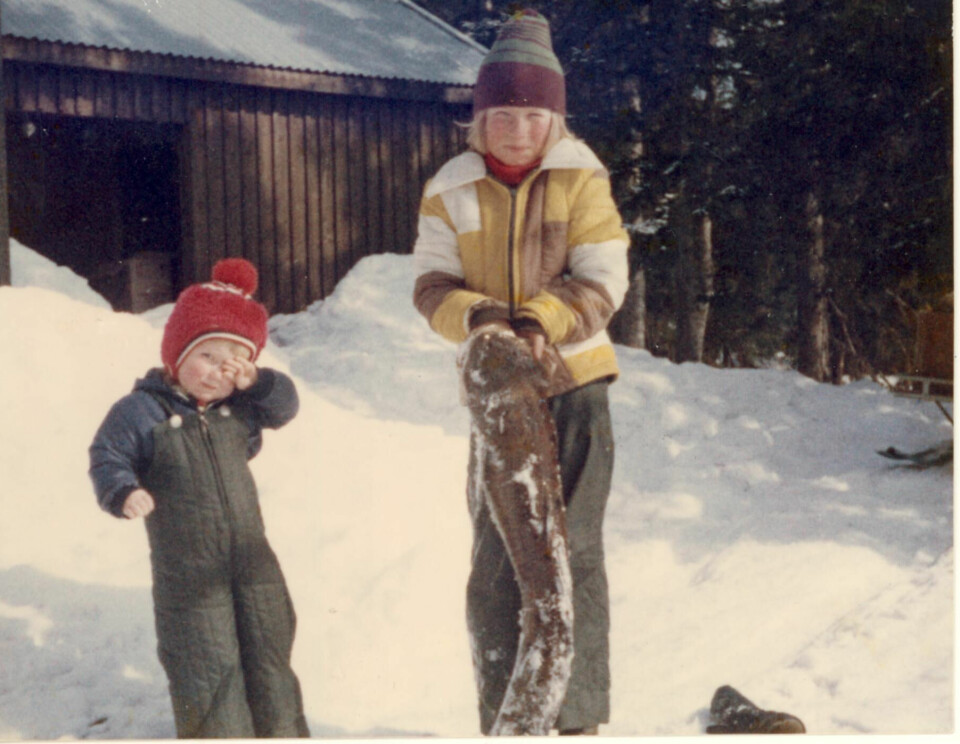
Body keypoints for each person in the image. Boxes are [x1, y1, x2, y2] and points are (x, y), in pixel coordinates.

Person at [412, 9, 630, 736]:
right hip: (498, 399)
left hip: (573, 386)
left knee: (576, 554)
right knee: (500, 556)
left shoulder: (581, 178)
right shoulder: (450, 186)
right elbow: (431, 285)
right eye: (502, 113)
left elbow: (603, 278)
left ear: (554, 118)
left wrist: (539, 320)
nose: (517, 127)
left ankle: (576, 720)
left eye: (532, 113)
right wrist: (482, 322)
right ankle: (505, 718)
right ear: (479, 119)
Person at [89, 258, 310, 739]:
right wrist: (122, 491)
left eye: (232, 364)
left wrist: (258, 382)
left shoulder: (238, 411)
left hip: (255, 568)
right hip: (188, 579)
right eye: (205, 356)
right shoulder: (141, 410)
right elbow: (107, 454)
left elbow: (285, 405)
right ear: (176, 351)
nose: (215, 374)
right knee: (207, 672)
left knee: (270, 662)